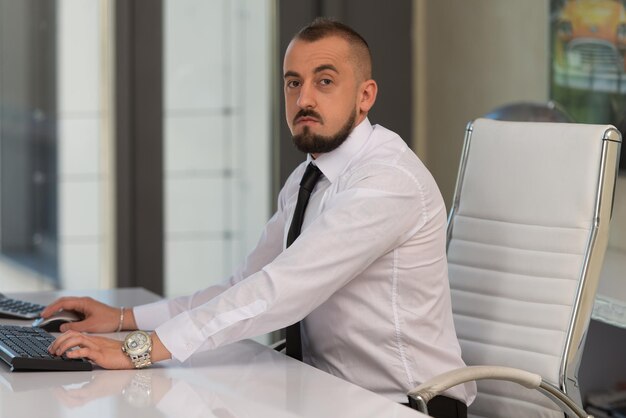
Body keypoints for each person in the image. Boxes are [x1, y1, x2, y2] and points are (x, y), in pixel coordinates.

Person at [45, 17, 476, 417]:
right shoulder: (309, 178)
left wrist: (139, 350)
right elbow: (244, 285)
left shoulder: (386, 182)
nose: (303, 99)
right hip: (328, 395)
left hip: (405, 404)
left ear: (365, 96)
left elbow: (281, 289)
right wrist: (125, 320)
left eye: (324, 81)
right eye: (293, 83)